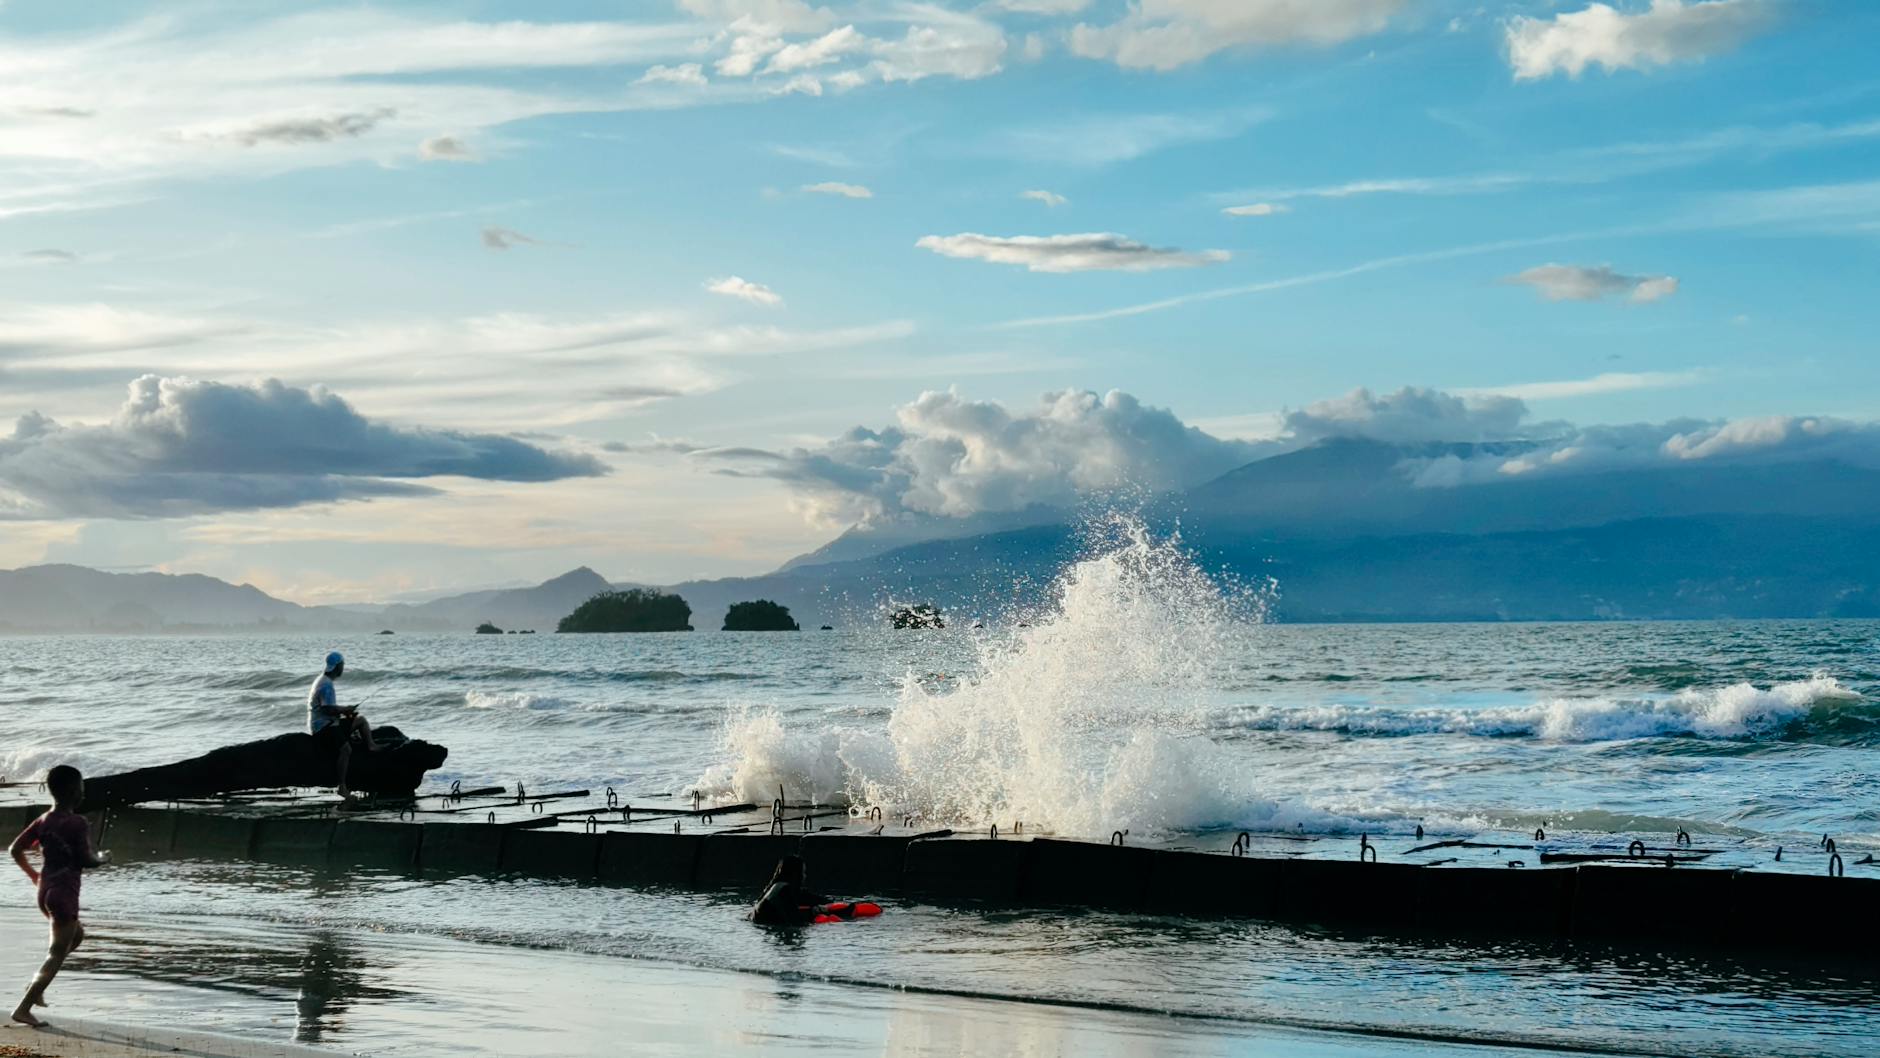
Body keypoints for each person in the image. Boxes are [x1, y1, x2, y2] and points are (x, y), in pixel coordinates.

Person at [10, 764, 107, 1027]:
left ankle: (37, 986)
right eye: (82, 788)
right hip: (64, 893)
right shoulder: (78, 822)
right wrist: (103, 858)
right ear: (75, 792)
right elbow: (86, 860)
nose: (83, 792)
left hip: (45, 890)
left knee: (76, 936)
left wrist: (33, 875)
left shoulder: (44, 820)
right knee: (56, 953)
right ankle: (24, 1007)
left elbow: (15, 849)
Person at [309, 651, 380, 798]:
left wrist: (345, 712)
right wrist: (345, 709)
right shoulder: (326, 685)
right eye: (342, 665)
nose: (343, 667)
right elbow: (328, 710)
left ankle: (371, 745)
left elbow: (329, 709)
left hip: (328, 722)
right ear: (337, 666)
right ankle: (342, 786)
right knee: (346, 749)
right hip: (323, 727)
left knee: (361, 720)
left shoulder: (323, 680)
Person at [750, 855, 826, 926]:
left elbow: (808, 898)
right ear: (795, 875)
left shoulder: (777, 887)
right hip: (769, 925)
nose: (805, 876)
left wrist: (820, 908)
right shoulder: (783, 890)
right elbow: (796, 920)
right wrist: (814, 912)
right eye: (803, 872)